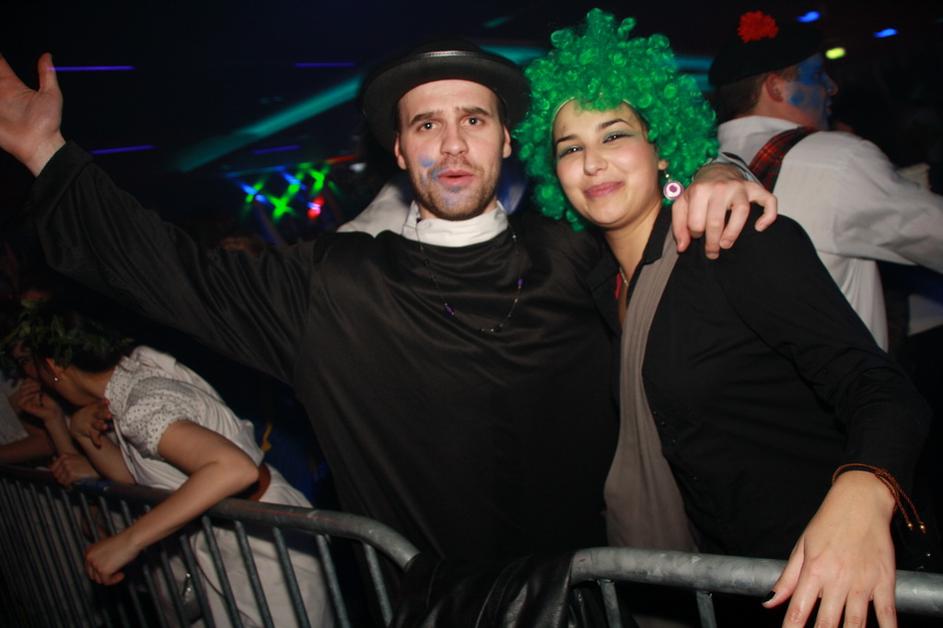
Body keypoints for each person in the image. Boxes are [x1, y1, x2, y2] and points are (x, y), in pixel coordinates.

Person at [0, 41, 772, 564]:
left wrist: (719, 169)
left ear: (507, 141)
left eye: (474, 120)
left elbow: (665, 227)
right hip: (436, 610)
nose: (453, 144)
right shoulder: (333, 285)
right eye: (426, 125)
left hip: (599, 599)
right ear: (400, 151)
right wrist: (45, 154)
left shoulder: (572, 255)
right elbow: (171, 270)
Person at [514, 9, 931, 628]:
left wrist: (862, 493)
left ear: (662, 148)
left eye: (614, 135)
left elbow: (881, 387)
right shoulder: (599, 283)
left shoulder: (734, 243)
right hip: (722, 592)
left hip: (824, 581)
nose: (592, 162)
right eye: (570, 148)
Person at [5, 301, 333, 627]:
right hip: (233, 539)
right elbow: (130, 475)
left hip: (261, 542)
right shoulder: (132, 377)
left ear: (55, 367)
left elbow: (234, 468)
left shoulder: (142, 402)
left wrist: (128, 541)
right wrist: (80, 432)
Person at [709, 10, 943, 351]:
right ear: (776, 88)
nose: (832, 87)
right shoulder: (839, 160)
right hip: (844, 382)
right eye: (817, 75)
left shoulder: (700, 165)